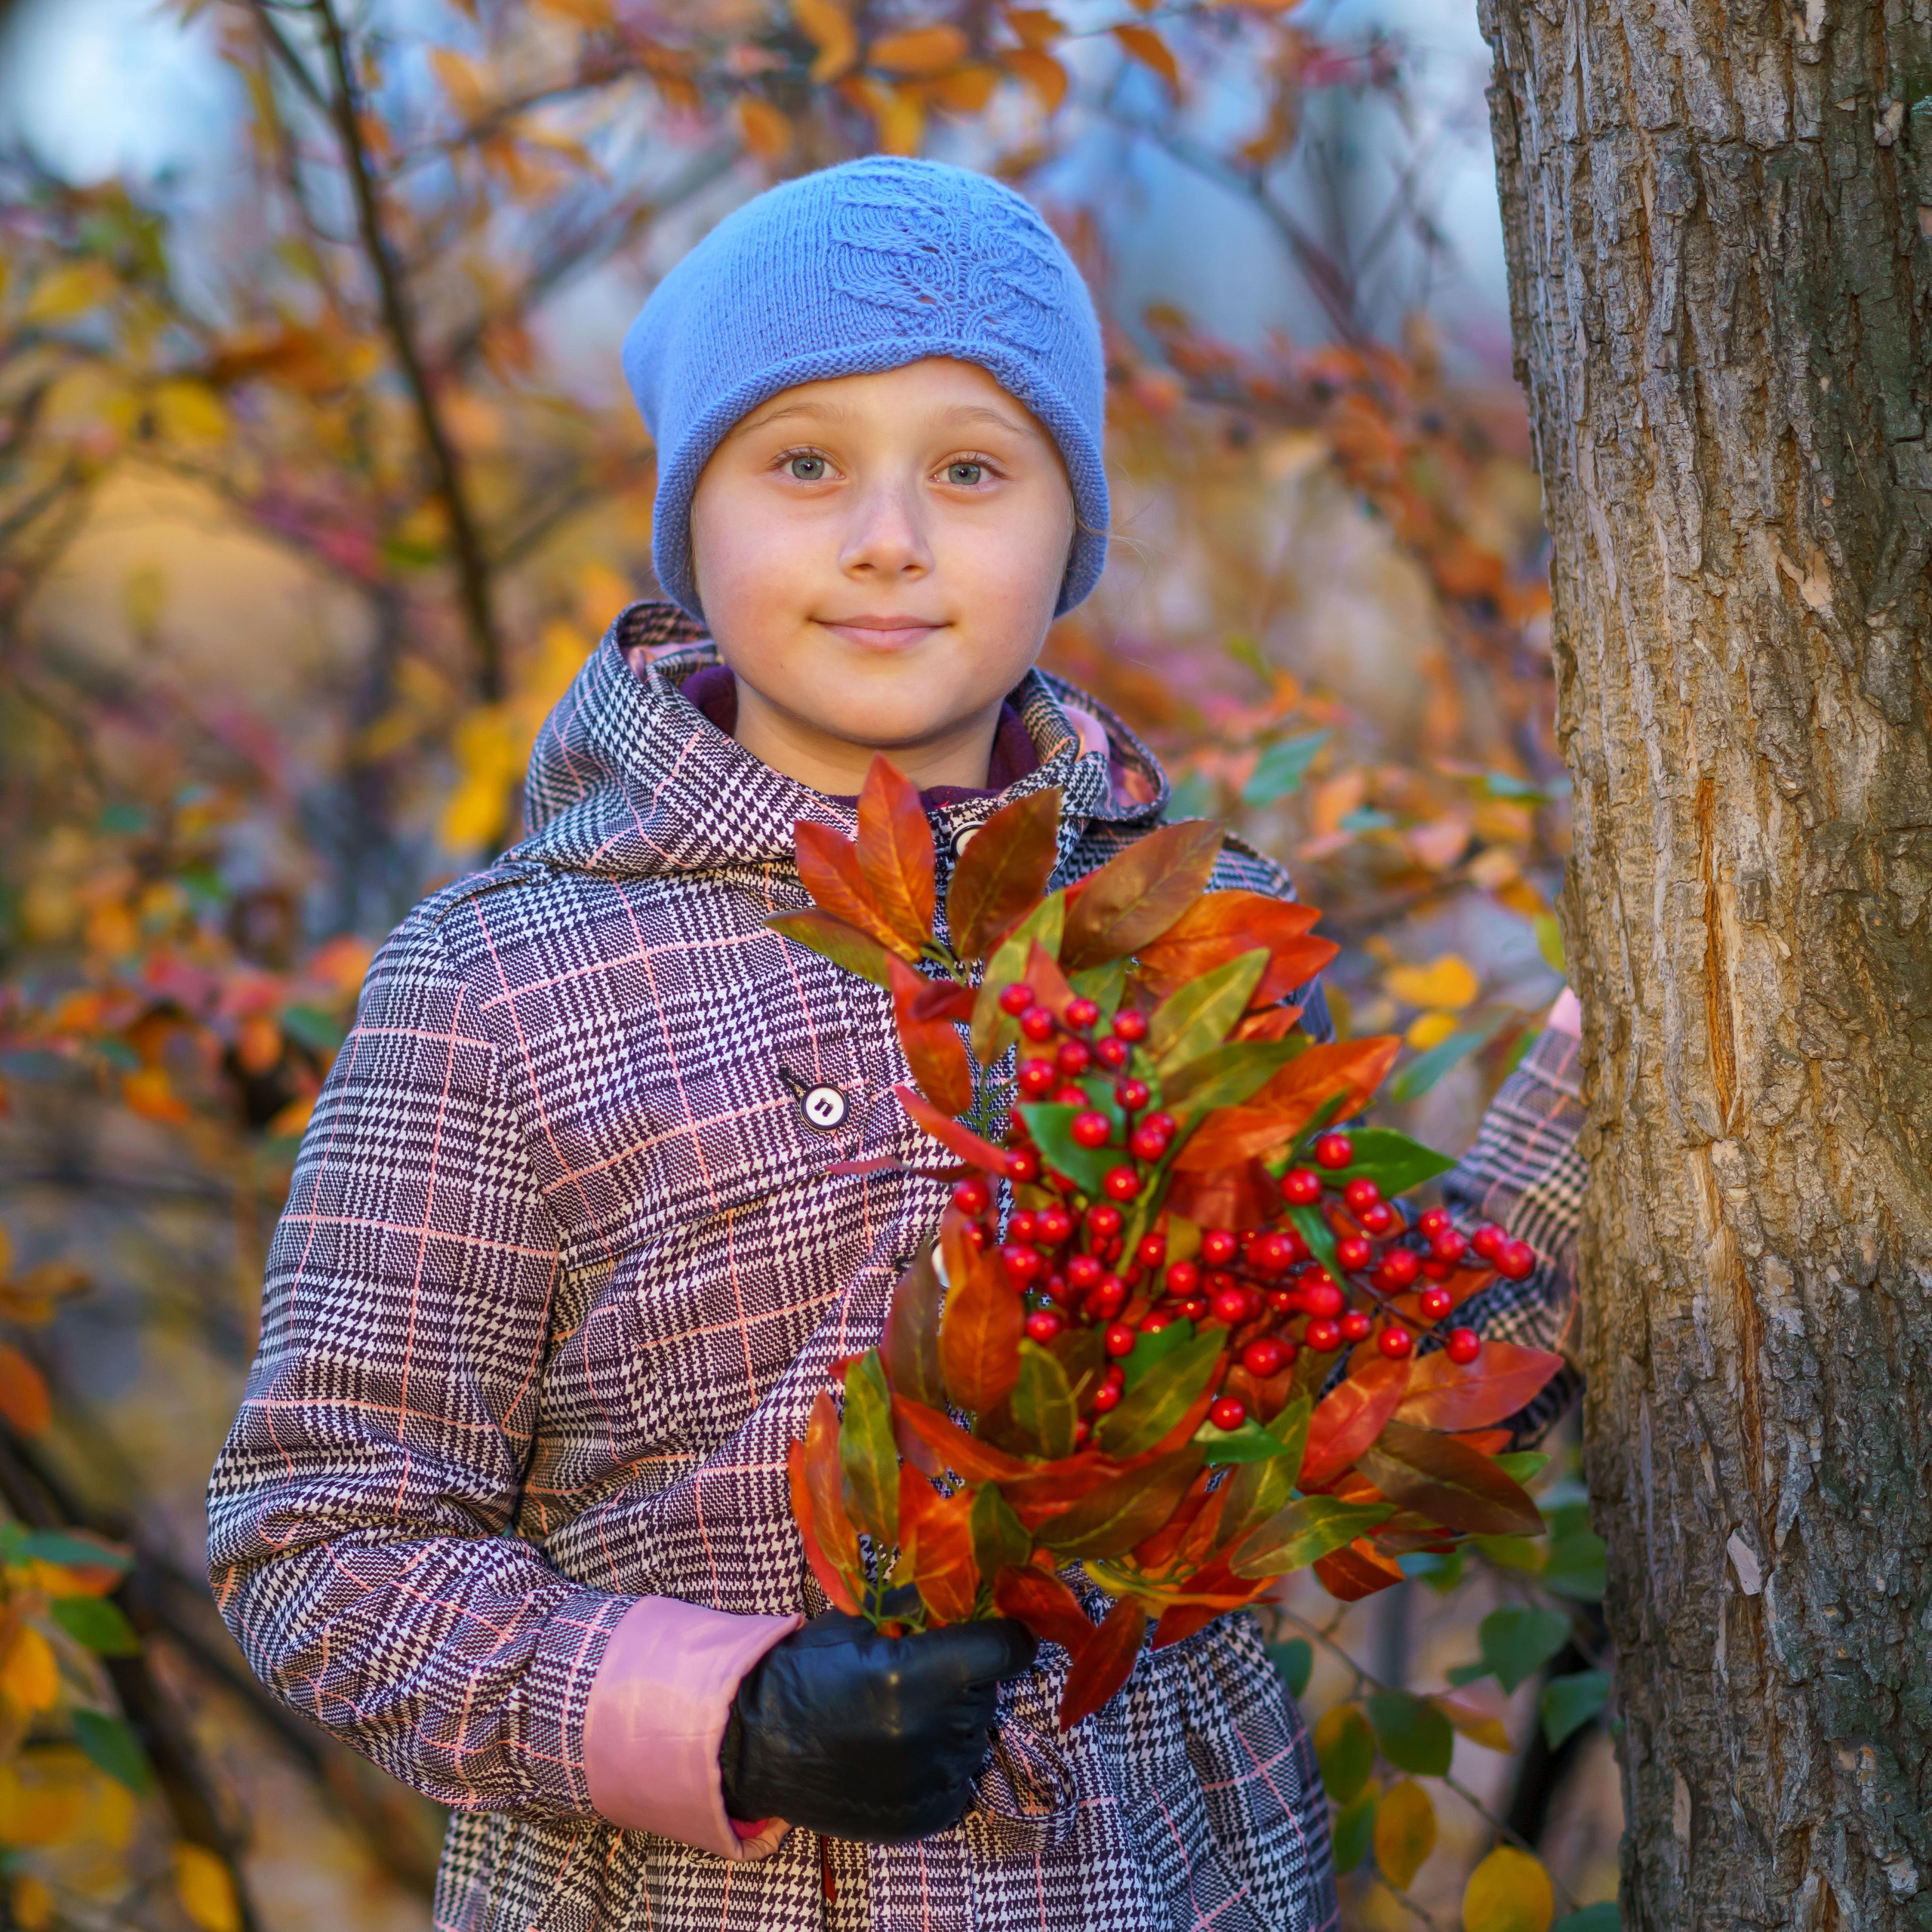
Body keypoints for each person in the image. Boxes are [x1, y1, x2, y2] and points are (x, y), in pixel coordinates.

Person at [207, 157, 1584, 1932]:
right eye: (801, 463)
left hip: (1155, 1890)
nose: (886, 537)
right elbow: (320, 1540)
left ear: (1063, 533)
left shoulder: (1187, 932)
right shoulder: (500, 985)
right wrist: (724, 1715)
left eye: (969, 469)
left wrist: (1636, 1057)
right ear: (689, 519)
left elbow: (1340, 1394)